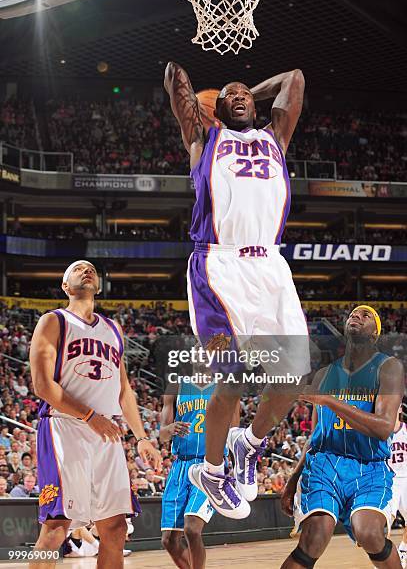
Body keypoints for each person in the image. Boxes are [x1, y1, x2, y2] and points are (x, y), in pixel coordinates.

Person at [164, 62, 309, 519]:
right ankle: (210, 469)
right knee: (233, 375)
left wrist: (249, 91)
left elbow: (295, 79)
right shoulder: (205, 142)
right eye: (231, 95)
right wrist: (210, 100)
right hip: (219, 264)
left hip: (270, 266)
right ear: (219, 108)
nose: (241, 96)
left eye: (246, 93)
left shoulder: (275, 139)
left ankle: (247, 444)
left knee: (292, 381)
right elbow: (175, 76)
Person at [29, 260, 162, 569]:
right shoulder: (53, 321)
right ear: (65, 286)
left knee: (115, 529)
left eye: (90, 269)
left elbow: (124, 389)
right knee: (56, 529)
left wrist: (142, 438)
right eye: (77, 269)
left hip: (108, 433)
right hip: (65, 428)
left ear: (99, 285)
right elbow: (42, 385)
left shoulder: (112, 328)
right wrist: (90, 416)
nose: (86, 270)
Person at [280, 306, 404, 569]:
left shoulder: (388, 368)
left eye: (366, 315)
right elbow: (316, 433)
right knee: (315, 535)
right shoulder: (325, 374)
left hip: (369, 466)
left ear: (375, 335)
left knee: (369, 532)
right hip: (326, 462)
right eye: (353, 313)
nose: (356, 315)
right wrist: (293, 479)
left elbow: (383, 427)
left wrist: (329, 400)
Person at [160, 367, 239, 569]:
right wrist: (169, 429)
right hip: (180, 465)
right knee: (169, 540)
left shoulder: (226, 387)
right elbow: (162, 434)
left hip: (209, 465)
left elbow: (233, 433)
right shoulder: (176, 385)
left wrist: (234, 469)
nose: (200, 351)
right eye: (197, 348)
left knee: (192, 529)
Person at [389, 400, 407, 568]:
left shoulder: (406, 429)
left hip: (406, 478)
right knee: (384, 523)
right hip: (389, 481)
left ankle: (403, 551)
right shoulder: (381, 431)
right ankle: (382, 558)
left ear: (400, 408)